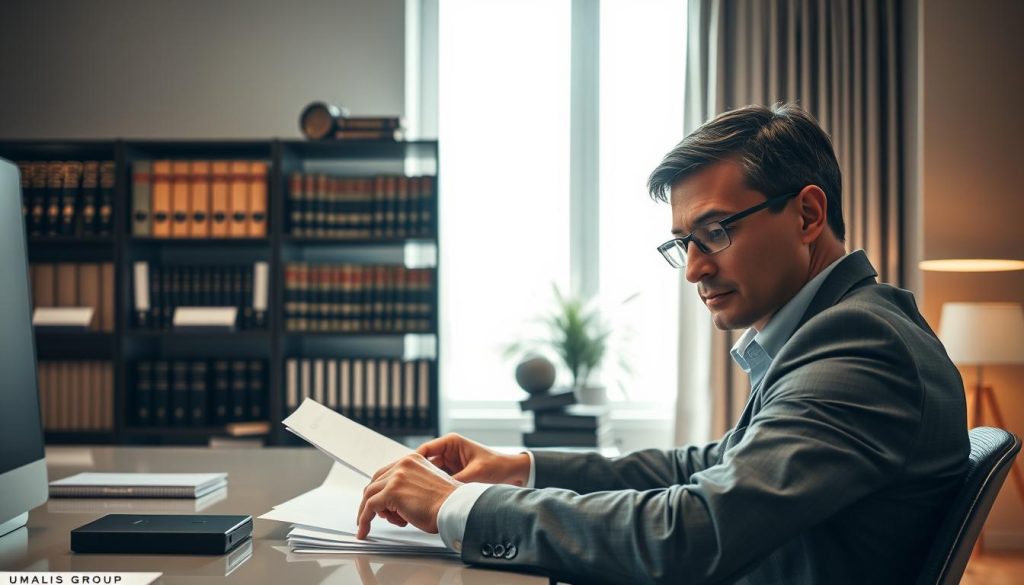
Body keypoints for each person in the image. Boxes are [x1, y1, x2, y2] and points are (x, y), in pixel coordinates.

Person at [355, 103, 969, 584]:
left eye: (715, 232)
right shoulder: (836, 328)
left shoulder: (860, 347)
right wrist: (523, 468)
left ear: (808, 215)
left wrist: (462, 507)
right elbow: (708, 467)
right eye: (684, 243)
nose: (694, 269)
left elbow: (695, 534)